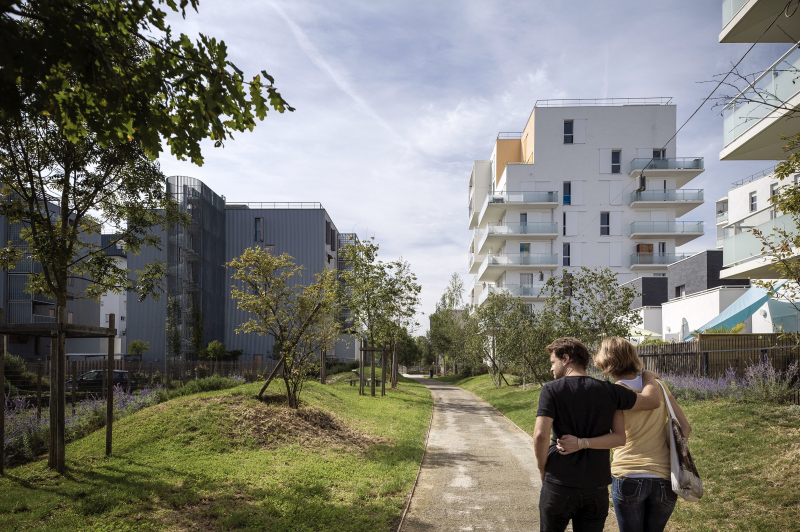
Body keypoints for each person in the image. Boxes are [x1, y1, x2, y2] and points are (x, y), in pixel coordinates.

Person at [557, 337, 691, 532]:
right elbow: (685, 427)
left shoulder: (613, 393)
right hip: (664, 479)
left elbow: (614, 436)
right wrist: (668, 452)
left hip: (628, 474)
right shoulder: (659, 386)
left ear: (606, 361)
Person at [533, 337, 662, 532]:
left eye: (553, 362)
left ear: (565, 358)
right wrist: (648, 377)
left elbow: (540, 436)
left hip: (559, 483)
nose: (551, 368)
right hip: (596, 487)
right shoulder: (610, 391)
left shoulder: (551, 390)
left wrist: (543, 469)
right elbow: (651, 401)